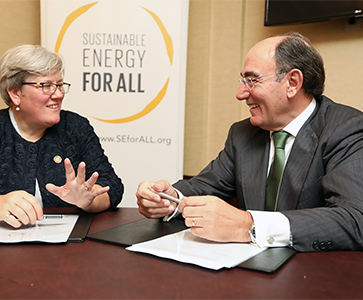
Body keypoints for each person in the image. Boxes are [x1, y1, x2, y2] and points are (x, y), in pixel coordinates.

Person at [136, 32, 363, 252]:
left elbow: (354, 220)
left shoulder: (346, 129)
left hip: (313, 277)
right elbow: (201, 187)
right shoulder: (242, 134)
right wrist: (169, 199)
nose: (240, 93)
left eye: (252, 80)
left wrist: (247, 224)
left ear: (292, 82)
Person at [0, 45, 124, 228]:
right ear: (15, 93)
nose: (58, 94)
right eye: (46, 86)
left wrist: (87, 199)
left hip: (70, 249)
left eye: (60, 85)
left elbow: (112, 186)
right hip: (2, 250)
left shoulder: (76, 127)